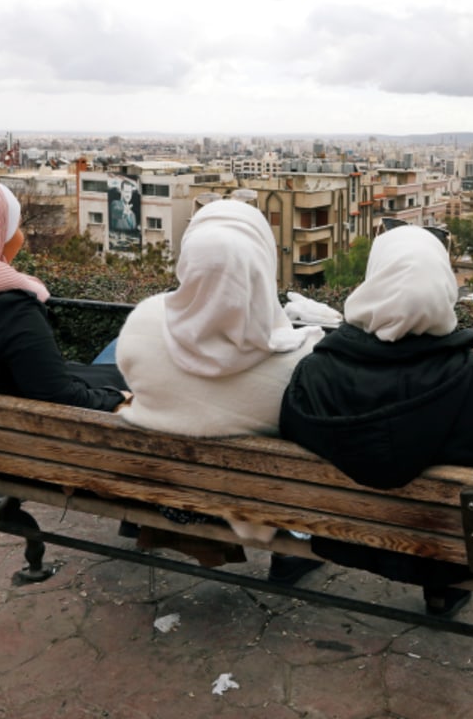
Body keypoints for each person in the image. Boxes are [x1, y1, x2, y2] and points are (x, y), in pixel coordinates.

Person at [279, 223, 473, 616]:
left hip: (340, 536)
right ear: (443, 287)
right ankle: (441, 593)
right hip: (445, 553)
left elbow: (293, 438)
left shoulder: (313, 373)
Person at [115, 197, 326, 577]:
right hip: (242, 502)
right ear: (263, 263)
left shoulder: (144, 321)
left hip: (159, 491)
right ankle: (288, 555)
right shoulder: (300, 362)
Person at [0, 178, 129, 412]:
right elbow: (61, 397)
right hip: (49, 435)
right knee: (125, 347)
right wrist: (119, 397)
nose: (19, 236)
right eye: (12, 227)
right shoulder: (10, 310)